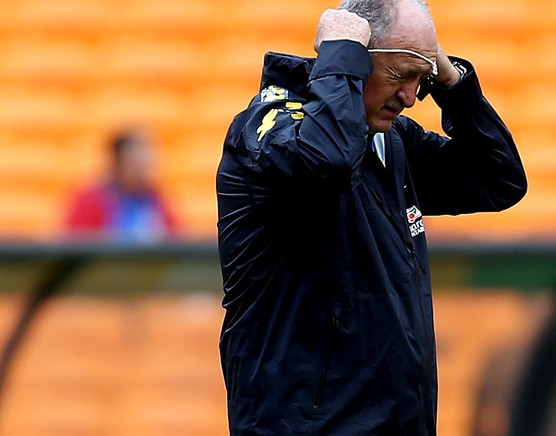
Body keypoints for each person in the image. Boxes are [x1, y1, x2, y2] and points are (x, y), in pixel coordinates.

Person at [216, 0, 527, 434]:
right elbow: (326, 160)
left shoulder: (390, 139)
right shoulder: (268, 130)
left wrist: (451, 80)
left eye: (422, 79)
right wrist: (341, 52)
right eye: (402, 76)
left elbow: (498, 180)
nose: (412, 98)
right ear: (358, 59)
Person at [65, 127, 176, 242]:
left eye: (146, 165)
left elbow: (175, 239)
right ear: (117, 162)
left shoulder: (155, 198)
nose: (142, 171)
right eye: (136, 164)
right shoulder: (91, 199)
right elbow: (77, 244)